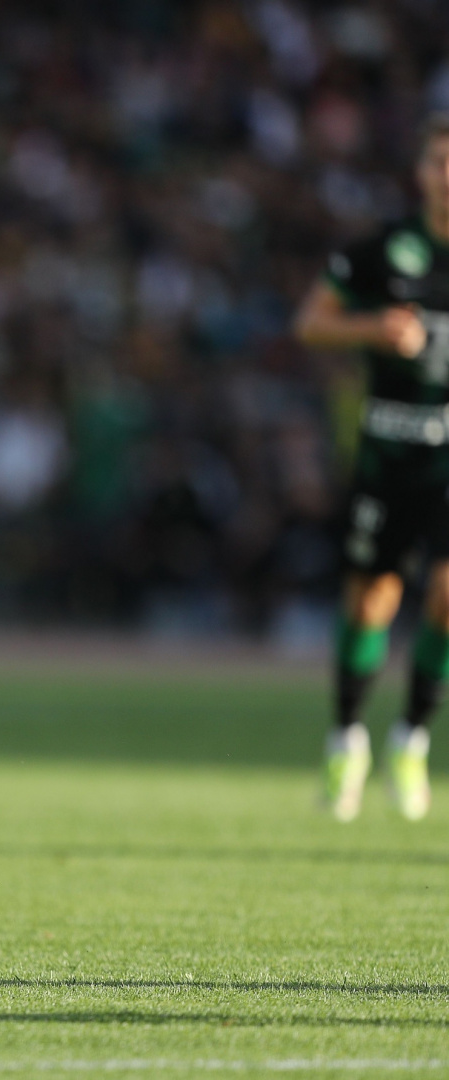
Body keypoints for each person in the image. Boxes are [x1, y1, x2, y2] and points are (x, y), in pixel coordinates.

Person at [293, 114, 449, 822]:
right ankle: (347, 737)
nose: (447, 176)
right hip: (389, 449)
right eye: (438, 161)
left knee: (446, 596)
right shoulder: (382, 251)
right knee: (370, 601)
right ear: (420, 172)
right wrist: (371, 329)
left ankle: (412, 737)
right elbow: (310, 322)